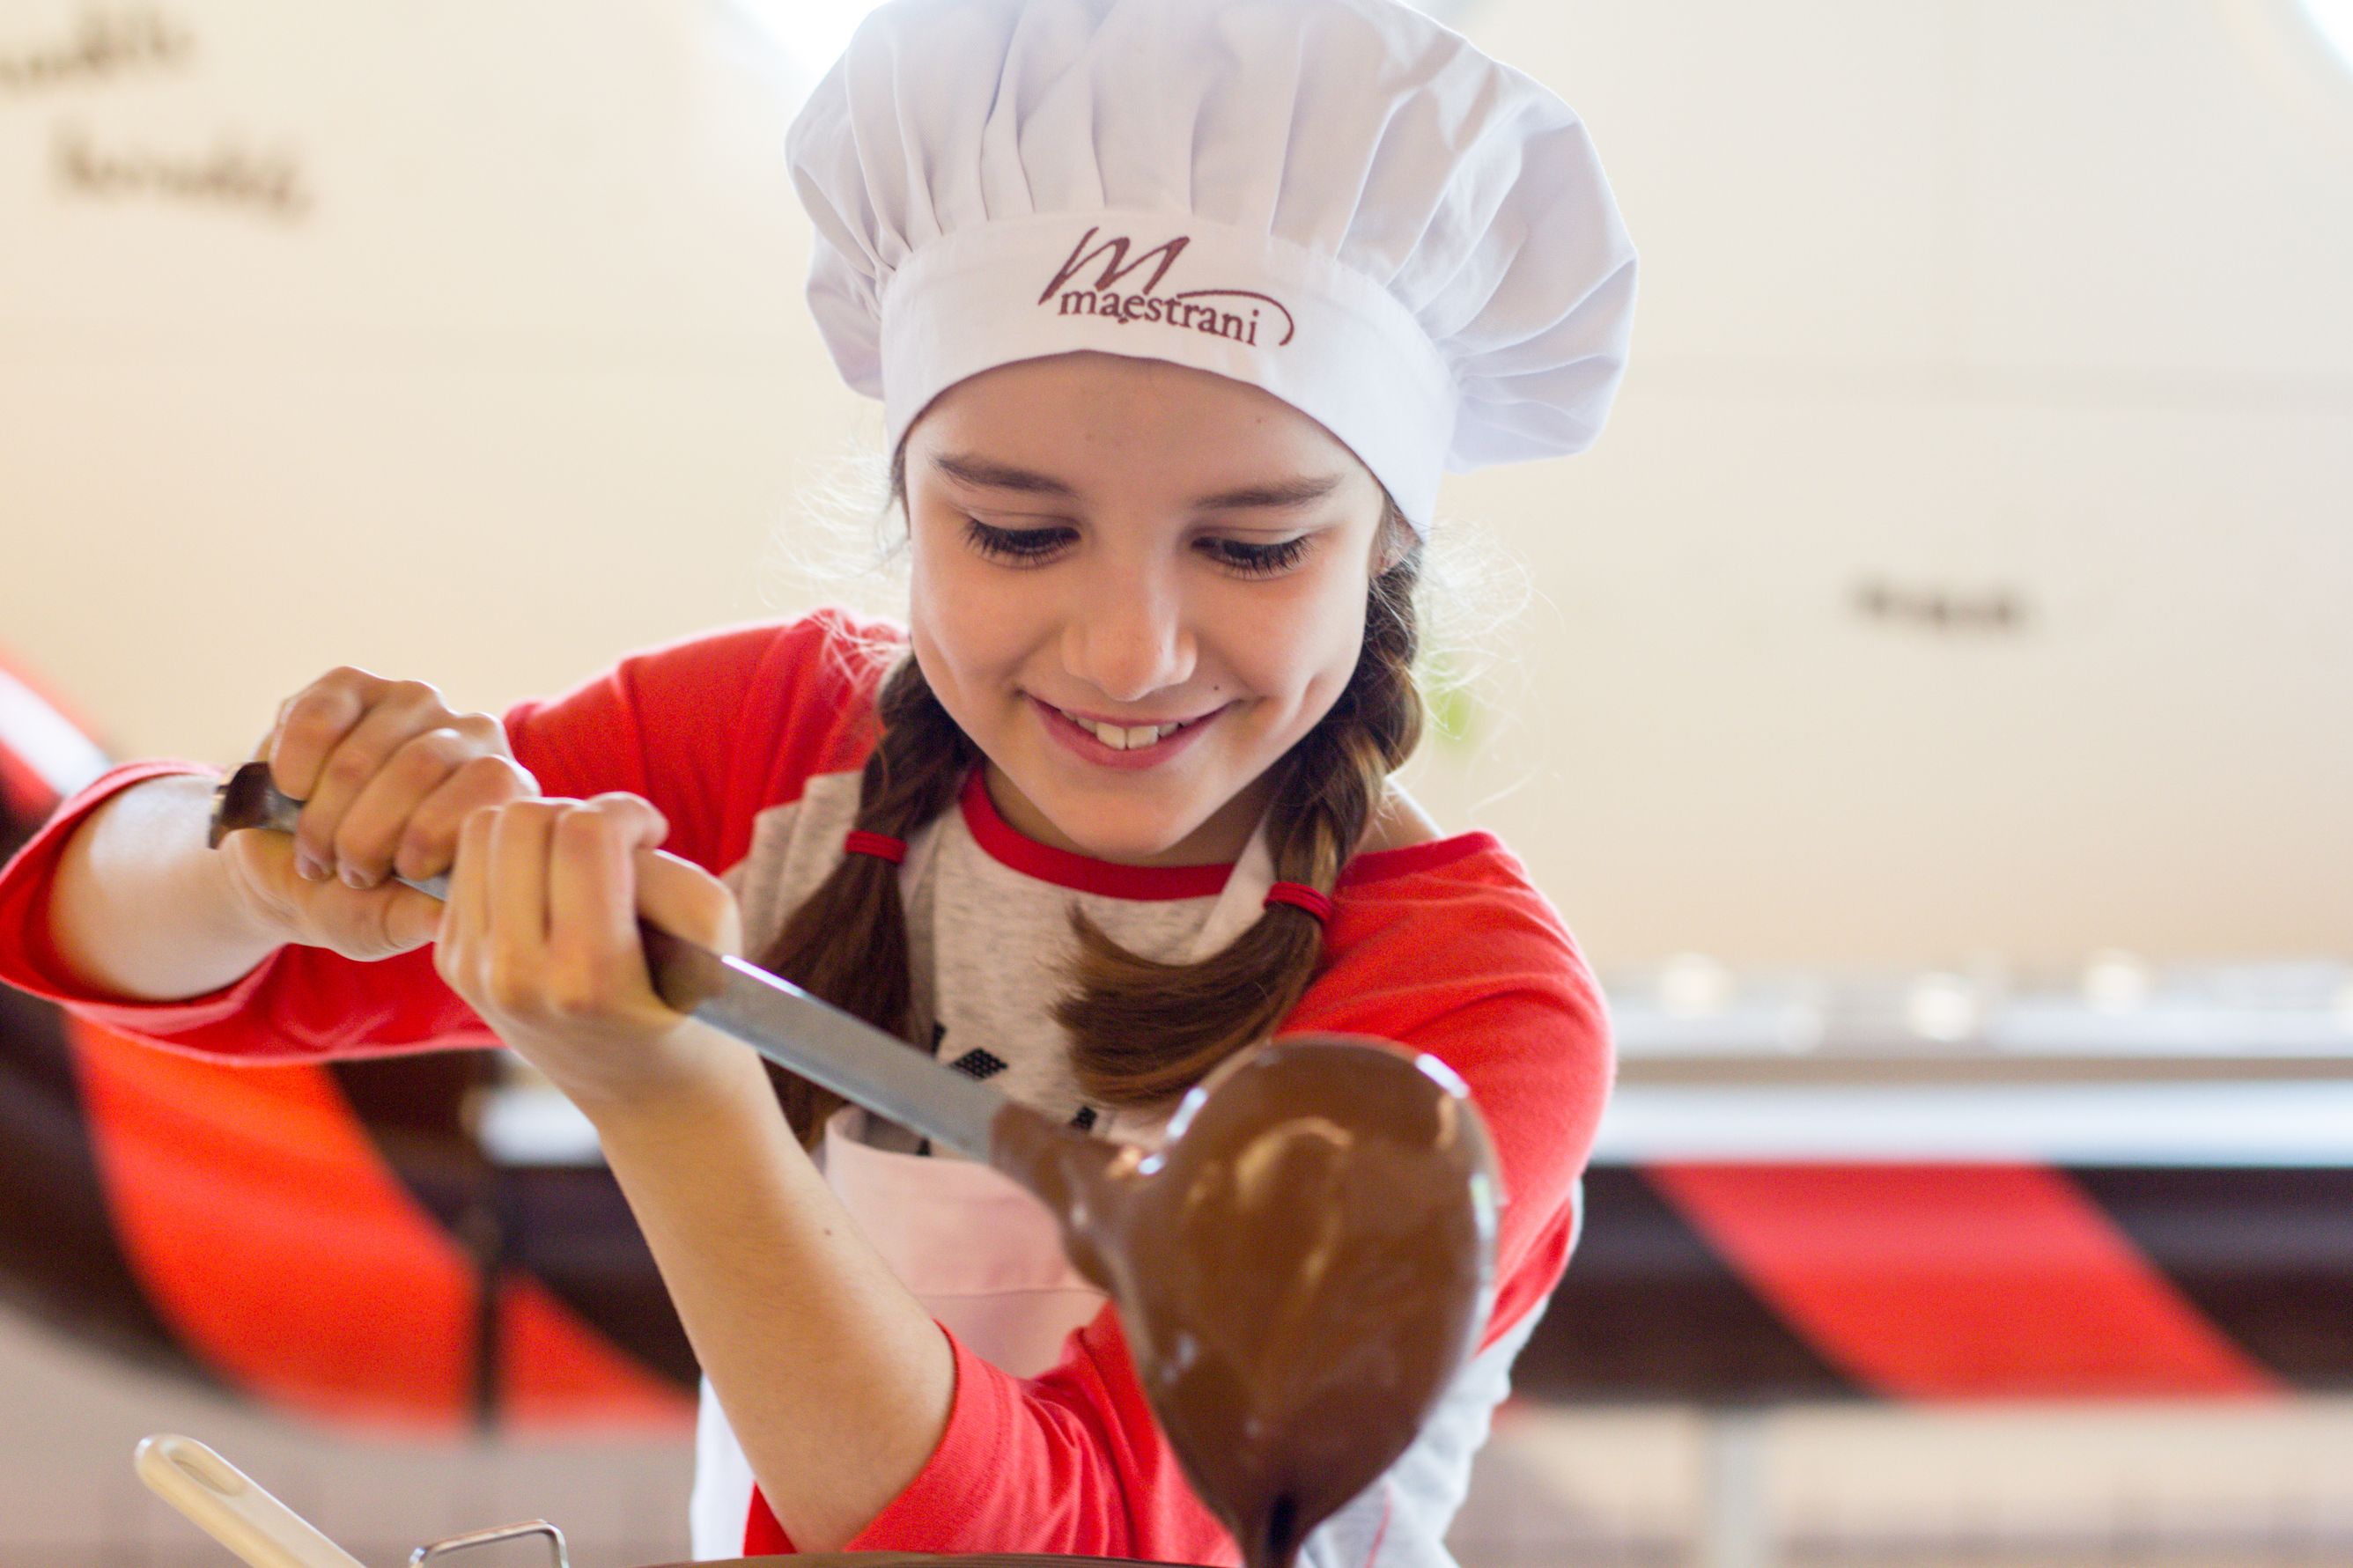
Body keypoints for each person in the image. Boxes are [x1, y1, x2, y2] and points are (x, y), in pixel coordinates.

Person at [0, 0, 1636, 1560]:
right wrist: (255, 866)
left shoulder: (1463, 1008)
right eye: (1015, 530)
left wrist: (677, 1112)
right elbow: (82, 925)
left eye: (1256, 544)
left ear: (1388, 546)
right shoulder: (779, 753)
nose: (1130, 649)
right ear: (906, 498)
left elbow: (1068, 1534)